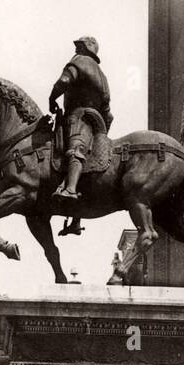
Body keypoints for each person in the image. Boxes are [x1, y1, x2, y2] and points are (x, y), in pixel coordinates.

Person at [48, 36, 113, 233]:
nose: (75, 49)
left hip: (79, 116)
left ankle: (70, 189)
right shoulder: (103, 76)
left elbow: (64, 81)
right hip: (98, 121)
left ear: (85, 49)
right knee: (84, 160)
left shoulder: (80, 61)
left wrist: (52, 98)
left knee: (74, 150)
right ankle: (76, 218)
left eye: (78, 46)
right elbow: (108, 112)